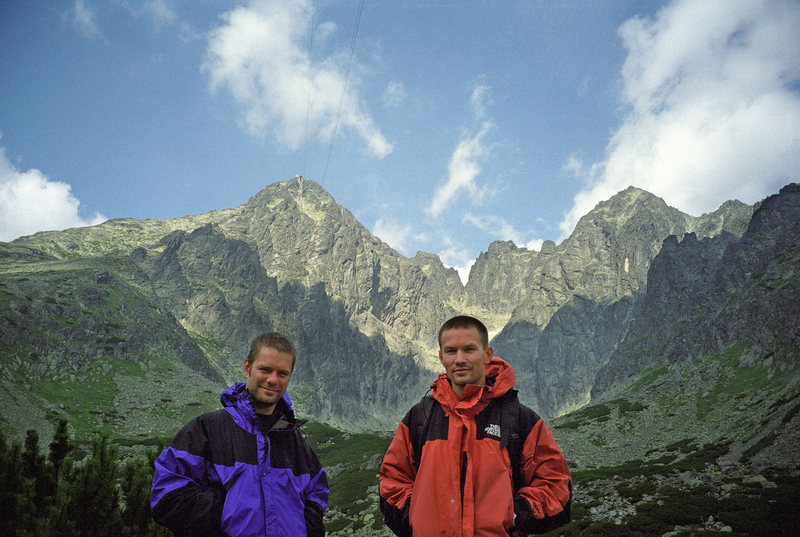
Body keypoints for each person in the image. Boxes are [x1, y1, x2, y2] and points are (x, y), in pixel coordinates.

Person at [379, 315, 572, 536]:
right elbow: (392, 480)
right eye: (451, 351)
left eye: (469, 349)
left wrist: (515, 513)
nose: (459, 359)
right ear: (441, 357)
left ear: (487, 355)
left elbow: (556, 485)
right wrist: (415, 515)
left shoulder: (519, 419)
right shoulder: (419, 417)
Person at [151, 332, 328, 537]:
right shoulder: (208, 428)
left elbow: (318, 488)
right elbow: (166, 493)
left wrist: (307, 526)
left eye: (282, 373)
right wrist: (223, 518)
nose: (272, 380)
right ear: (247, 368)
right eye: (265, 369)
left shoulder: (293, 438)